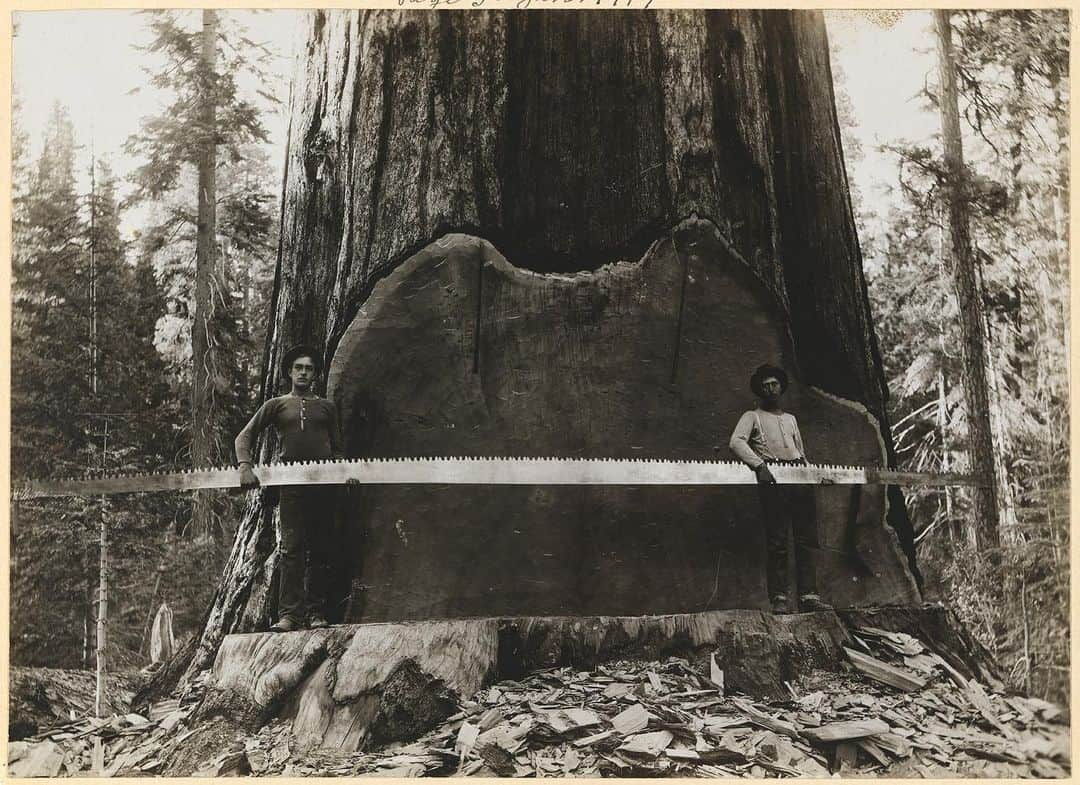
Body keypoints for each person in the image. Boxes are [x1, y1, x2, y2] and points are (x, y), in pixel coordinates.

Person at [235, 344, 353, 632]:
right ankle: (289, 615)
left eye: (309, 368)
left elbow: (338, 449)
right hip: (291, 487)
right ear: (290, 372)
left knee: (322, 550)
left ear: (315, 374)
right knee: (291, 550)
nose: (303, 372)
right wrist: (244, 466)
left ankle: (316, 613)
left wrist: (344, 472)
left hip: (324, 487)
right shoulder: (276, 405)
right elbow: (244, 436)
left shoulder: (326, 407)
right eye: (299, 367)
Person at [729, 363, 833, 615]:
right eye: (765, 385)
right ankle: (779, 598)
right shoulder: (751, 417)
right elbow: (736, 442)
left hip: (800, 478)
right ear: (759, 390)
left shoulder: (790, 420)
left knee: (807, 539)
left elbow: (801, 453)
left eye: (774, 384)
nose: (770, 389)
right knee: (777, 540)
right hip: (774, 480)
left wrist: (813, 475)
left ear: (781, 387)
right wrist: (759, 466)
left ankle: (809, 596)